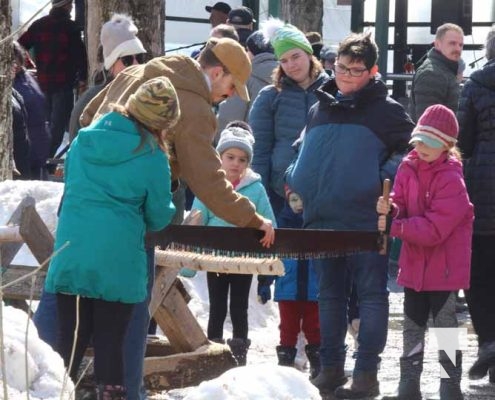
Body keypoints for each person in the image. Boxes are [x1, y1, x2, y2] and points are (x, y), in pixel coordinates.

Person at [80, 36, 275, 398]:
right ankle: (130, 391)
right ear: (217, 73)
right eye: (232, 86)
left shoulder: (138, 72)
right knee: (134, 304)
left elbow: (86, 117)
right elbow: (209, 181)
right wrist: (253, 219)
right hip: (132, 217)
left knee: (77, 299)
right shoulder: (196, 108)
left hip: (86, 204)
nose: (230, 95)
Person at [286, 31, 414, 398]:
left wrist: (378, 179)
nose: (345, 76)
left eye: (355, 71)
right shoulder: (320, 105)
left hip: (364, 219)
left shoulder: (387, 110)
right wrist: (295, 178)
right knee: (328, 296)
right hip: (322, 216)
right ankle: (331, 368)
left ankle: (366, 373)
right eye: (341, 68)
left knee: (372, 295)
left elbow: (410, 153)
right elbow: (300, 147)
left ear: (373, 71)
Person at [44, 76, 180, 399]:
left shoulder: (82, 141)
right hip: (118, 267)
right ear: (159, 124)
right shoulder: (152, 156)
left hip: (71, 256)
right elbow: (160, 216)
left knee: (66, 352)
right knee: (111, 351)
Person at [377, 104, 473, 400]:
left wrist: (396, 226)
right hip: (414, 264)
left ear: (447, 145)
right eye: (419, 141)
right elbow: (400, 199)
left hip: (444, 269)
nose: (422, 148)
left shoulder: (451, 180)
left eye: (430, 143)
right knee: (412, 324)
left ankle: (449, 383)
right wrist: (390, 207)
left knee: (445, 326)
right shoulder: (409, 165)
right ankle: (409, 381)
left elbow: (434, 230)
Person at [190, 121, 275, 366]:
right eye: (230, 157)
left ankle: (239, 353)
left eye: (242, 160)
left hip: (242, 259)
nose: (236, 164)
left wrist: (267, 229)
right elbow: (197, 220)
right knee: (216, 306)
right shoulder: (211, 187)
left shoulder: (256, 189)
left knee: (239, 307)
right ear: (220, 158)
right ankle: (214, 352)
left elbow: (269, 222)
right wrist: (194, 227)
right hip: (216, 258)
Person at [457, 25, 495, 384]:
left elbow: (462, 140)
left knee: (479, 274)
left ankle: (488, 340)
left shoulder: (475, 84)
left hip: (483, 189)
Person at [257, 184, 320, 379]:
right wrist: (265, 282)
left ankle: (318, 365)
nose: (299, 205)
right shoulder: (280, 227)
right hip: (288, 288)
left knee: (315, 328)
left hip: (314, 289)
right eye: (294, 200)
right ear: (287, 201)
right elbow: (272, 259)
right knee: (288, 328)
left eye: (303, 200)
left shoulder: (319, 227)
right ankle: (285, 366)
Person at [18, 0, 87, 161]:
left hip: (41, 85)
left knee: (43, 127)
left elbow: (19, 46)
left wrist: (28, 67)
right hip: (63, 87)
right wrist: (83, 79)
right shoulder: (71, 28)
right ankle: (47, 162)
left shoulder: (39, 25)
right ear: (68, 6)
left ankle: (42, 161)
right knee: (58, 129)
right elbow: (80, 57)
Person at [68, 13, 146, 142]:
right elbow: (76, 151)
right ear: (111, 65)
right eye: (127, 60)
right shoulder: (91, 101)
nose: (136, 64)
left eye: (139, 57)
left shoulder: (148, 94)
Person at [216, 30, 278, 134]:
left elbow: (230, 116)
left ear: (251, 52)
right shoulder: (288, 75)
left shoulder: (243, 77)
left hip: (248, 144)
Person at [12, 41, 50, 180]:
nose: (14, 64)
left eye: (15, 59)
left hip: (37, 152)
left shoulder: (25, 77)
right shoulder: (11, 85)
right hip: (25, 156)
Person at [410, 23, 464, 121]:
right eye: (452, 43)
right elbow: (428, 125)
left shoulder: (445, 70)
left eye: (461, 45)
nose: (458, 48)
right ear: (437, 44)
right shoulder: (432, 73)